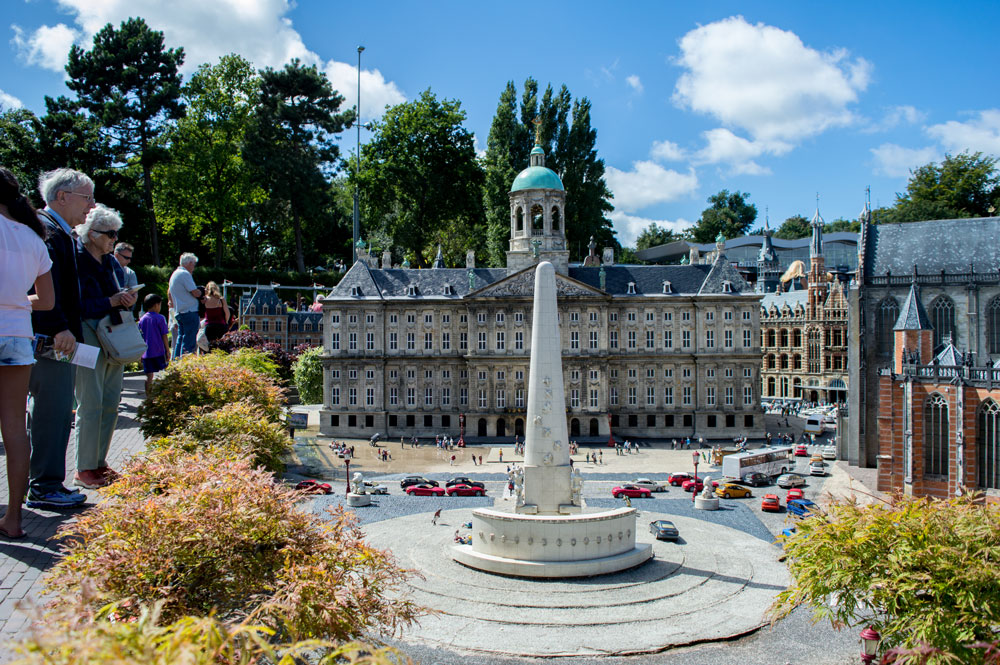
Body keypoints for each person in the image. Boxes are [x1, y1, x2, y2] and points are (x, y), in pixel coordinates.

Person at [26, 168, 94, 510]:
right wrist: (58, 327)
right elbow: (44, 286)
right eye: (87, 197)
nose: (92, 206)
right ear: (62, 197)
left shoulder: (56, 231)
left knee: (49, 412)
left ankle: (43, 482)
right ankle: (46, 486)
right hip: (55, 340)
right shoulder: (49, 232)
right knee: (53, 412)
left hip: (55, 337)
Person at [0, 167, 55, 538]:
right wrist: (15, 300)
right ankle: (15, 519)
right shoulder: (33, 238)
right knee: (16, 429)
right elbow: (47, 301)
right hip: (18, 335)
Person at [73, 204, 136, 489]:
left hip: (111, 334)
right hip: (86, 333)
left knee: (110, 401)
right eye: (109, 233)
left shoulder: (111, 263)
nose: (114, 238)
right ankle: (84, 467)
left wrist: (125, 298)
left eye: (115, 233)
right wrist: (110, 301)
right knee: (90, 401)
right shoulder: (76, 259)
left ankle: (99, 462)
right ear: (91, 233)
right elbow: (74, 304)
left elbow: (114, 294)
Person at [168, 252, 201, 358]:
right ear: (189, 263)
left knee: (180, 339)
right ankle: (185, 366)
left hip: (180, 311)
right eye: (194, 264)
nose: (194, 268)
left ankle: (177, 363)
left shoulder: (175, 274)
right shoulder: (185, 274)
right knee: (189, 341)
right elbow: (195, 292)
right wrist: (201, 293)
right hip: (189, 311)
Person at [138, 294, 169, 395]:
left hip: (146, 353)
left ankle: (148, 397)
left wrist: (140, 354)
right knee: (164, 374)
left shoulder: (142, 320)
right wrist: (167, 350)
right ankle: (163, 395)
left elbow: (140, 337)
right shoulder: (160, 318)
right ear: (156, 305)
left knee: (149, 376)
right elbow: (164, 335)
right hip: (159, 351)